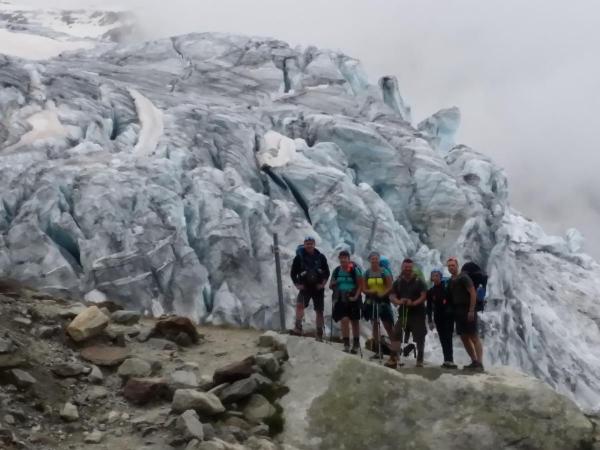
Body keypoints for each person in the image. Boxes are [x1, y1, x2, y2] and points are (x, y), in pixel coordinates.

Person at [447, 257, 484, 371]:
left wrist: (471, 310)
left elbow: (472, 292)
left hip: (467, 309)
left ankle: (480, 363)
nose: (451, 267)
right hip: (458, 311)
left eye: (453, 265)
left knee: (473, 335)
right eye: (449, 266)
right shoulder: (451, 280)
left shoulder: (464, 277)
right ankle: (474, 361)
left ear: (457, 266)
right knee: (463, 337)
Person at [390, 258, 428, 368]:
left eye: (409, 267)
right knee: (396, 332)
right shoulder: (398, 281)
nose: (407, 269)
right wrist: (398, 301)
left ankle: (420, 359)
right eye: (406, 267)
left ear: (412, 268)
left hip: (417, 313)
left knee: (420, 335)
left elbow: (423, 295)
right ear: (402, 267)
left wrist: (414, 303)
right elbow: (392, 295)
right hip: (403, 312)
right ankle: (394, 357)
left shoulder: (418, 281)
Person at [290, 237, 330, 341]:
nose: (309, 245)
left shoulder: (321, 257)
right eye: (307, 243)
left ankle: (319, 333)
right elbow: (293, 273)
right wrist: (297, 284)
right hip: (305, 287)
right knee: (300, 305)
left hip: (318, 288)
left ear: (314, 244)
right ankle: (298, 328)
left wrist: (323, 284)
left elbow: (327, 272)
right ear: (304, 244)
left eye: (311, 243)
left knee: (319, 311)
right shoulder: (299, 257)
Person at [362, 252, 395, 362]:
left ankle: (395, 352)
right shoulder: (367, 273)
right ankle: (378, 351)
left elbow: (390, 286)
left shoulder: (384, 272)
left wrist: (382, 293)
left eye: (376, 259)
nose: (374, 261)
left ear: (378, 260)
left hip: (383, 301)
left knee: (388, 326)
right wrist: (371, 291)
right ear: (370, 260)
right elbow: (364, 288)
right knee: (375, 325)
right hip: (372, 301)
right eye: (372, 259)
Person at [330, 250, 363, 353]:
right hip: (341, 297)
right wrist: (333, 284)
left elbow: (360, 285)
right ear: (339, 259)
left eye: (345, 258)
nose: (343, 260)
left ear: (349, 259)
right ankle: (346, 344)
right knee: (344, 320)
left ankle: (356, 344)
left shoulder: (354, 270)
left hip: (353, 297)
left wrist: (356, 297)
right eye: (341, 258)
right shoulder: (336, 271)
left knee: (354, 321)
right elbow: (331, 285)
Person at [427, 269, 457, 369]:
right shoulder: (431, 291)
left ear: (440, 277)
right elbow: (429, 307)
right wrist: (430, 320)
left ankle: (451, 360)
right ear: (431, 278)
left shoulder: (447, 288)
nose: (435, 277)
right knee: (443, 339)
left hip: (448, 317)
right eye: (433, 276)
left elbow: (453, 301)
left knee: (448, 338)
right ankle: (446, 360)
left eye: (437, 275)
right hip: (438, 317)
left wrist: (454, 314)